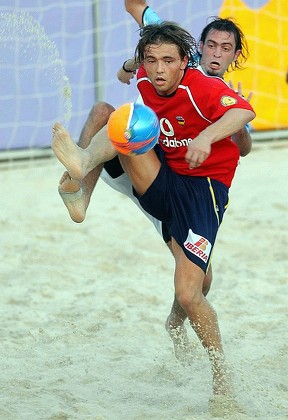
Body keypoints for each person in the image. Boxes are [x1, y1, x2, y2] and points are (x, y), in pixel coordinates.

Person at [52, 21, 255, 396]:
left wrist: (207, 137)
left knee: (193, 291)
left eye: (226, 48)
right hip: (159, 175)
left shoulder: (208, 87)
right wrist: (130, 67)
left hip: (201, 193)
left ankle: (216, 371)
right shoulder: (151, 72)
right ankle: (79, 178)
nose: (159, 69)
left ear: (184, 62)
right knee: (110, 112)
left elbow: (244, 117)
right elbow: (137, 27)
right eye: (152, 61)